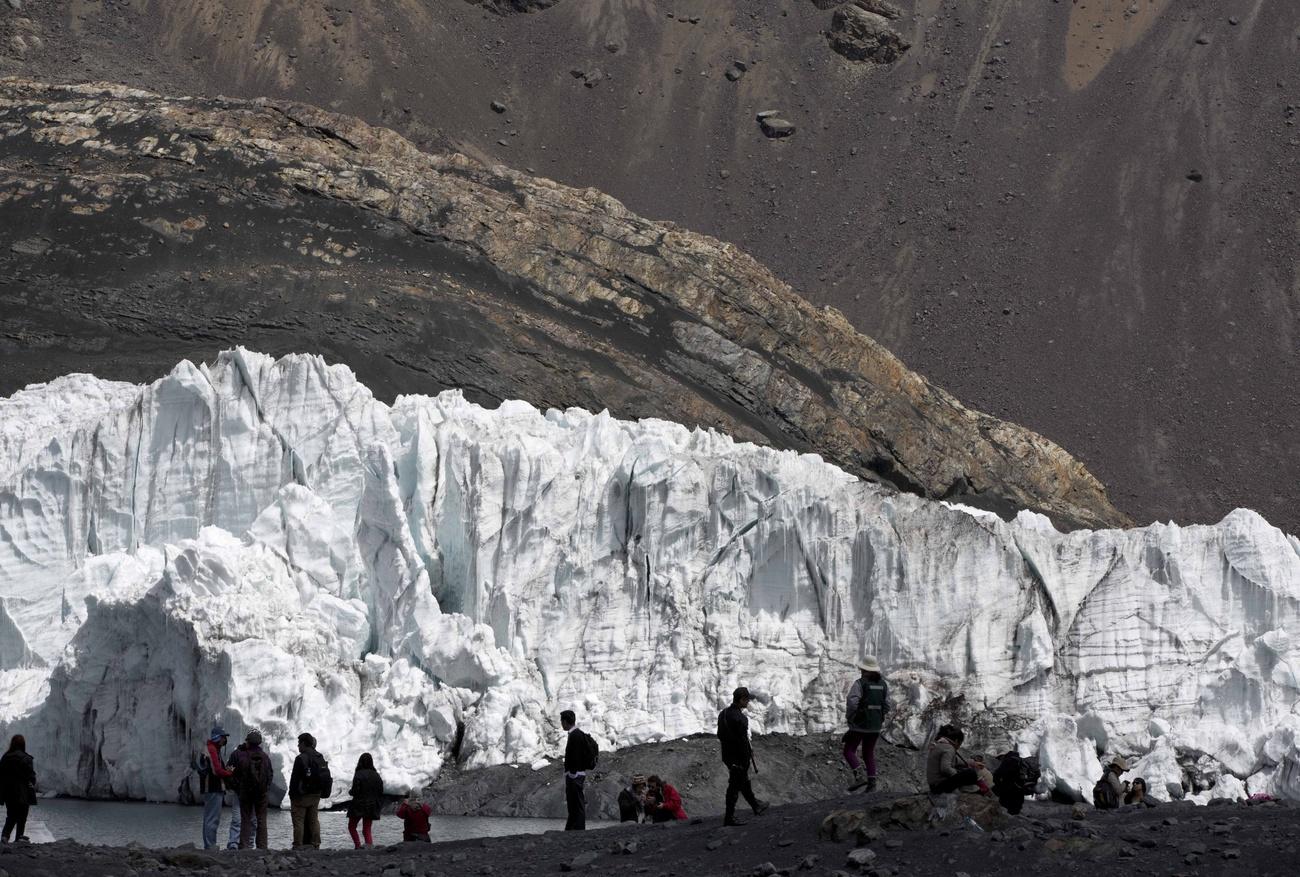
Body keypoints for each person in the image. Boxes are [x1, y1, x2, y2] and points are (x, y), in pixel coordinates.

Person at [716, 686, 770, 827]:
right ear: (742, 699)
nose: (748, 703)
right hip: (739, 758)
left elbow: (720, 735)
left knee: (742, 781)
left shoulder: (723, 714)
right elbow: (743, 741)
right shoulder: (741, 718)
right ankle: (729, 818)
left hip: (727, 756)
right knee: (734, 786)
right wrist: (745, 759)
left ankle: (756, 806)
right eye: (747, 700)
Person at [843, 656, 889, 791]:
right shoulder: (883, 684)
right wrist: (878, 716)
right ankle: (872, 785)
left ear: (864, 669)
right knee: (868, 753)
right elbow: (887, 705)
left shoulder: (860, 683)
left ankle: (859, 777)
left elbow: (852, 703)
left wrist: (851, 718)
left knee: (849, 750)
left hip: (860, 725)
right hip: (875, 726)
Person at [231, 729, 273, 850]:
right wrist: (266, 788)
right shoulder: (265, 757)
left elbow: (232, 773)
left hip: (245, 793)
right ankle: (262, 846)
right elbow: (270, 774)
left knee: (246, 819)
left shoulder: (241, 756)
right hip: (261, 794)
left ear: (248, 742)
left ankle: (244, 846)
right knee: (261, 820)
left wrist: (237, 788)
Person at [289, 733, 330, 849]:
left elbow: (295, 779)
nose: (298, 746)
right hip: (316, 794)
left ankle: (298, 844)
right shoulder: (319, 756)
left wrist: (292, 795)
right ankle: (316, 844)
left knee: (298, 821)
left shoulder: (301, 758)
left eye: (299, 743)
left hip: (302, 795)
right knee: (314, 820)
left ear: (303, 743)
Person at [199, 726, 235, 850]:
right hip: (213, 787)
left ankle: (209, 844)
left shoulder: (213, 749)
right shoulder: (212, 749)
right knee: (212, 818)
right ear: (218, 737)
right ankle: (210, 845)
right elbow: (217, 771)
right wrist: (230, 773)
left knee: (210, 817)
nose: (225, 740)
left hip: (212, 787)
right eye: (223, 737)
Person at [561, 710, 597, 831]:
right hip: (577, 774)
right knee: (574, 803)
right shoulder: (577, 733)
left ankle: (579, 828)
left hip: (575, 775)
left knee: (576, 802)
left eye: (562, 721)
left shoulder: (575, 735)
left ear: (565, 722)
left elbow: (575, 755)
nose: (561, 724)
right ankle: (572, 827)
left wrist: (572, 773)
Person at [926, 724, 982, 794]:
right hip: (940, 786)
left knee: (963, 769)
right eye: (960, 744)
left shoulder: (939, 745)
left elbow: (956, 761)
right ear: (956, 740)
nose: (959, 747)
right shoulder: (949, 748)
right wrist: (958, 775)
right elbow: (945, 768)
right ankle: (965, 788)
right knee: (971, 773)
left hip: (934, 786)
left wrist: (973, 763)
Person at [0, 735, 36, 844]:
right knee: (22, 816)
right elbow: (31, 777)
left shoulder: (5, 757)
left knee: (11, 815)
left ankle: (5, 837)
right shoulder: (27, 758)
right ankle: (19, 837)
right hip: (23, 792)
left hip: (8, 792)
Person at [346, 752, 384, 849]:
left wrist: (350, 792)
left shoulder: (359, 774)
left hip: (359, 804)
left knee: (352, 827)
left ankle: (358, 846)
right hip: (372, 805)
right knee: (367, 829)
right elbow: (380, 791)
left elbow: (355, 791)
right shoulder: (376, 775)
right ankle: (369, 847)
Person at [226, 743, 255, 850]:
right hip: (242, 792)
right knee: (240, 819)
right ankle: (235, 843)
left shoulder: (258, 754)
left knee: (247, 820)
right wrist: (233, 785)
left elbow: (228, 770)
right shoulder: (237, 755)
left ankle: (244, 844)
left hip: (249, 793)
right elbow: (229, 771)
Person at [991, 748, 1038, 815]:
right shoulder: (1022, 761)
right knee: (1016, 809)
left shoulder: (1007, 761)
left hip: (1008, 790)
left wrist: (998, 785)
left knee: (1006, 808)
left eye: (1000, 758)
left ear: (1003, 756)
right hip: (1020, 790)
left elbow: (997, 775)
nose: (1000, 760)